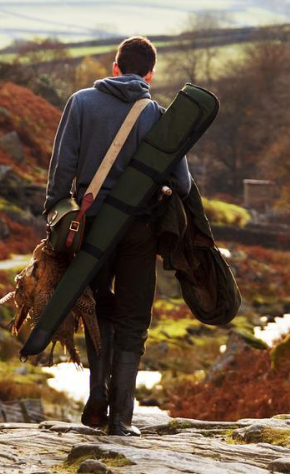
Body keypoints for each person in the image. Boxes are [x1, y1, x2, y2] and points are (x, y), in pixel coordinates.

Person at [43, 36, 192, 436]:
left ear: (114, 67)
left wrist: (58, 219)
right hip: (139, 230)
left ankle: (96, 398)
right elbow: (182, 181)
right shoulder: (157, 115)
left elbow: (61, 172)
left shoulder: (80, 103)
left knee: (96, 312)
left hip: (91, 228)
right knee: (132, 320)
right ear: (149, 75)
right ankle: (122, 420)